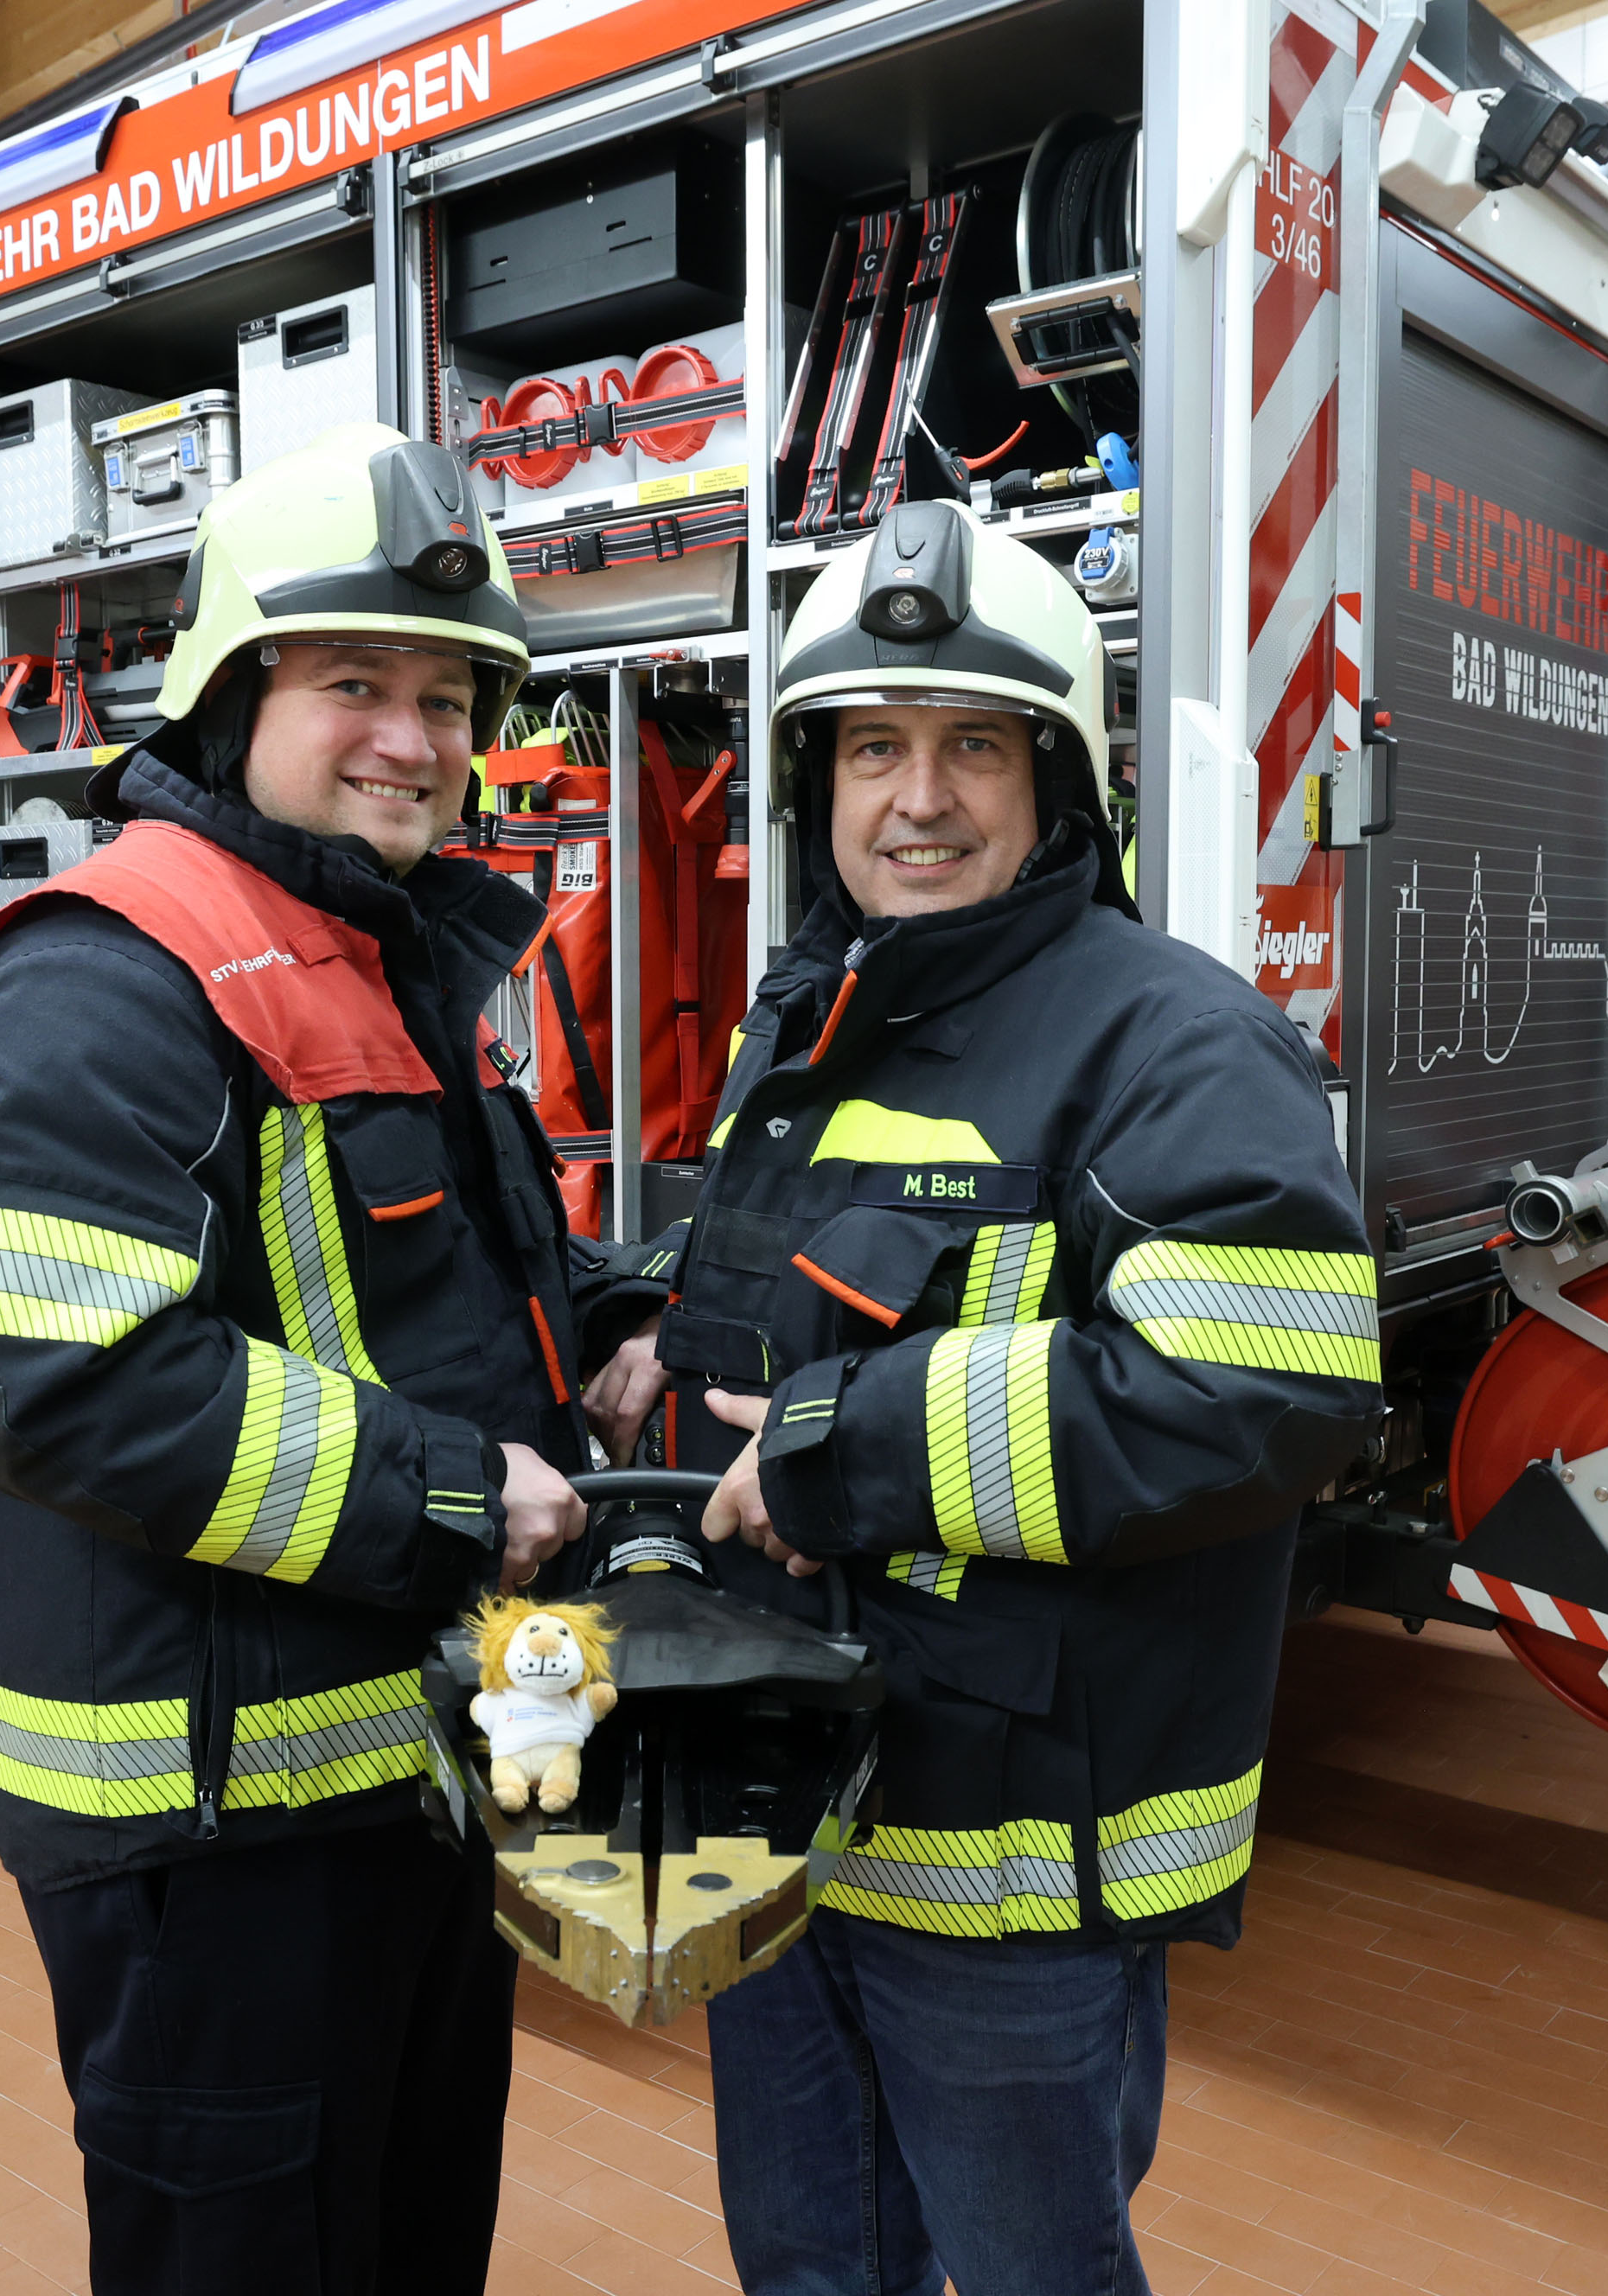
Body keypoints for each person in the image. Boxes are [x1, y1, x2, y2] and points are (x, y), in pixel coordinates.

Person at [0, 425, 661, 2294]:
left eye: (446, 694)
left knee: (407, 2227)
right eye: (354, 680)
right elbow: (63, 1369)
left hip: (399, 1773)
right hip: (211, 1838)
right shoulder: (107, 968)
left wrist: (615, 1322)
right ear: (229, 693)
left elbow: (443, 1281)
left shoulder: (370, 949)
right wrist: (456, 1491)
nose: (413, 735)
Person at [577, 501, 1384, 2295]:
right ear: (820, 781)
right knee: (807, 2268)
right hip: (775, 1804)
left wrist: (839, 1448)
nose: (916, 798)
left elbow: (1265, 1388)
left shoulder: (1175, 1037)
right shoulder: (812, 1014)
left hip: (1006, 1869)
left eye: (969, 745)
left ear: (1057, 786)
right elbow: (801, 1279)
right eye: (873, 745)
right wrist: (664, 1330)